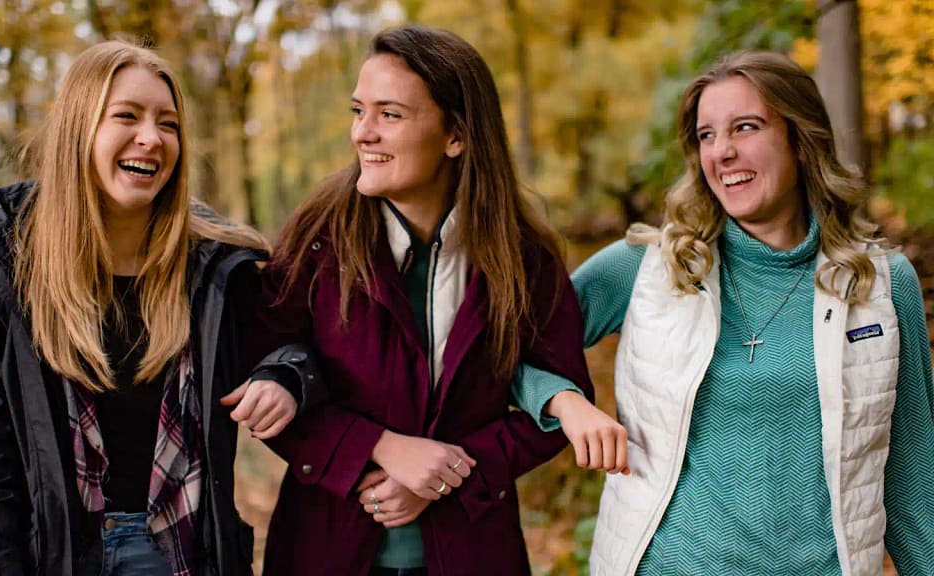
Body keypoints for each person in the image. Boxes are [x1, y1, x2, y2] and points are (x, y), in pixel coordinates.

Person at [520, 51, 934, 575]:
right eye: (707, 135)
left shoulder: (881, 284)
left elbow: (913, 472)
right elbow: (510, 346)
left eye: (746, 127)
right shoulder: (646, 267)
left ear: (800, 139)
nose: (723, 152)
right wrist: (565, 402)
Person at [0, 40, 322, 576]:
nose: (152, 137)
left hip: (180, 552)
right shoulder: (0, 267)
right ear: (79, 129)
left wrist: (285, 376)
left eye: (169, 124)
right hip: (51, 553)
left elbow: (298, 346)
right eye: (127, 116)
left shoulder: (216, 270)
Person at [236, 24, 594, 576]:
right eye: (359, 111)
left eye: (390, 114)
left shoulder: (523, 256)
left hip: (475, 554)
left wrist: (449, 476)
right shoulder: (319, 236)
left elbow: (557, 403)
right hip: (325, 550)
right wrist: (378, 447)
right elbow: (266, 372)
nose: (363, 133)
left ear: (456, 136)